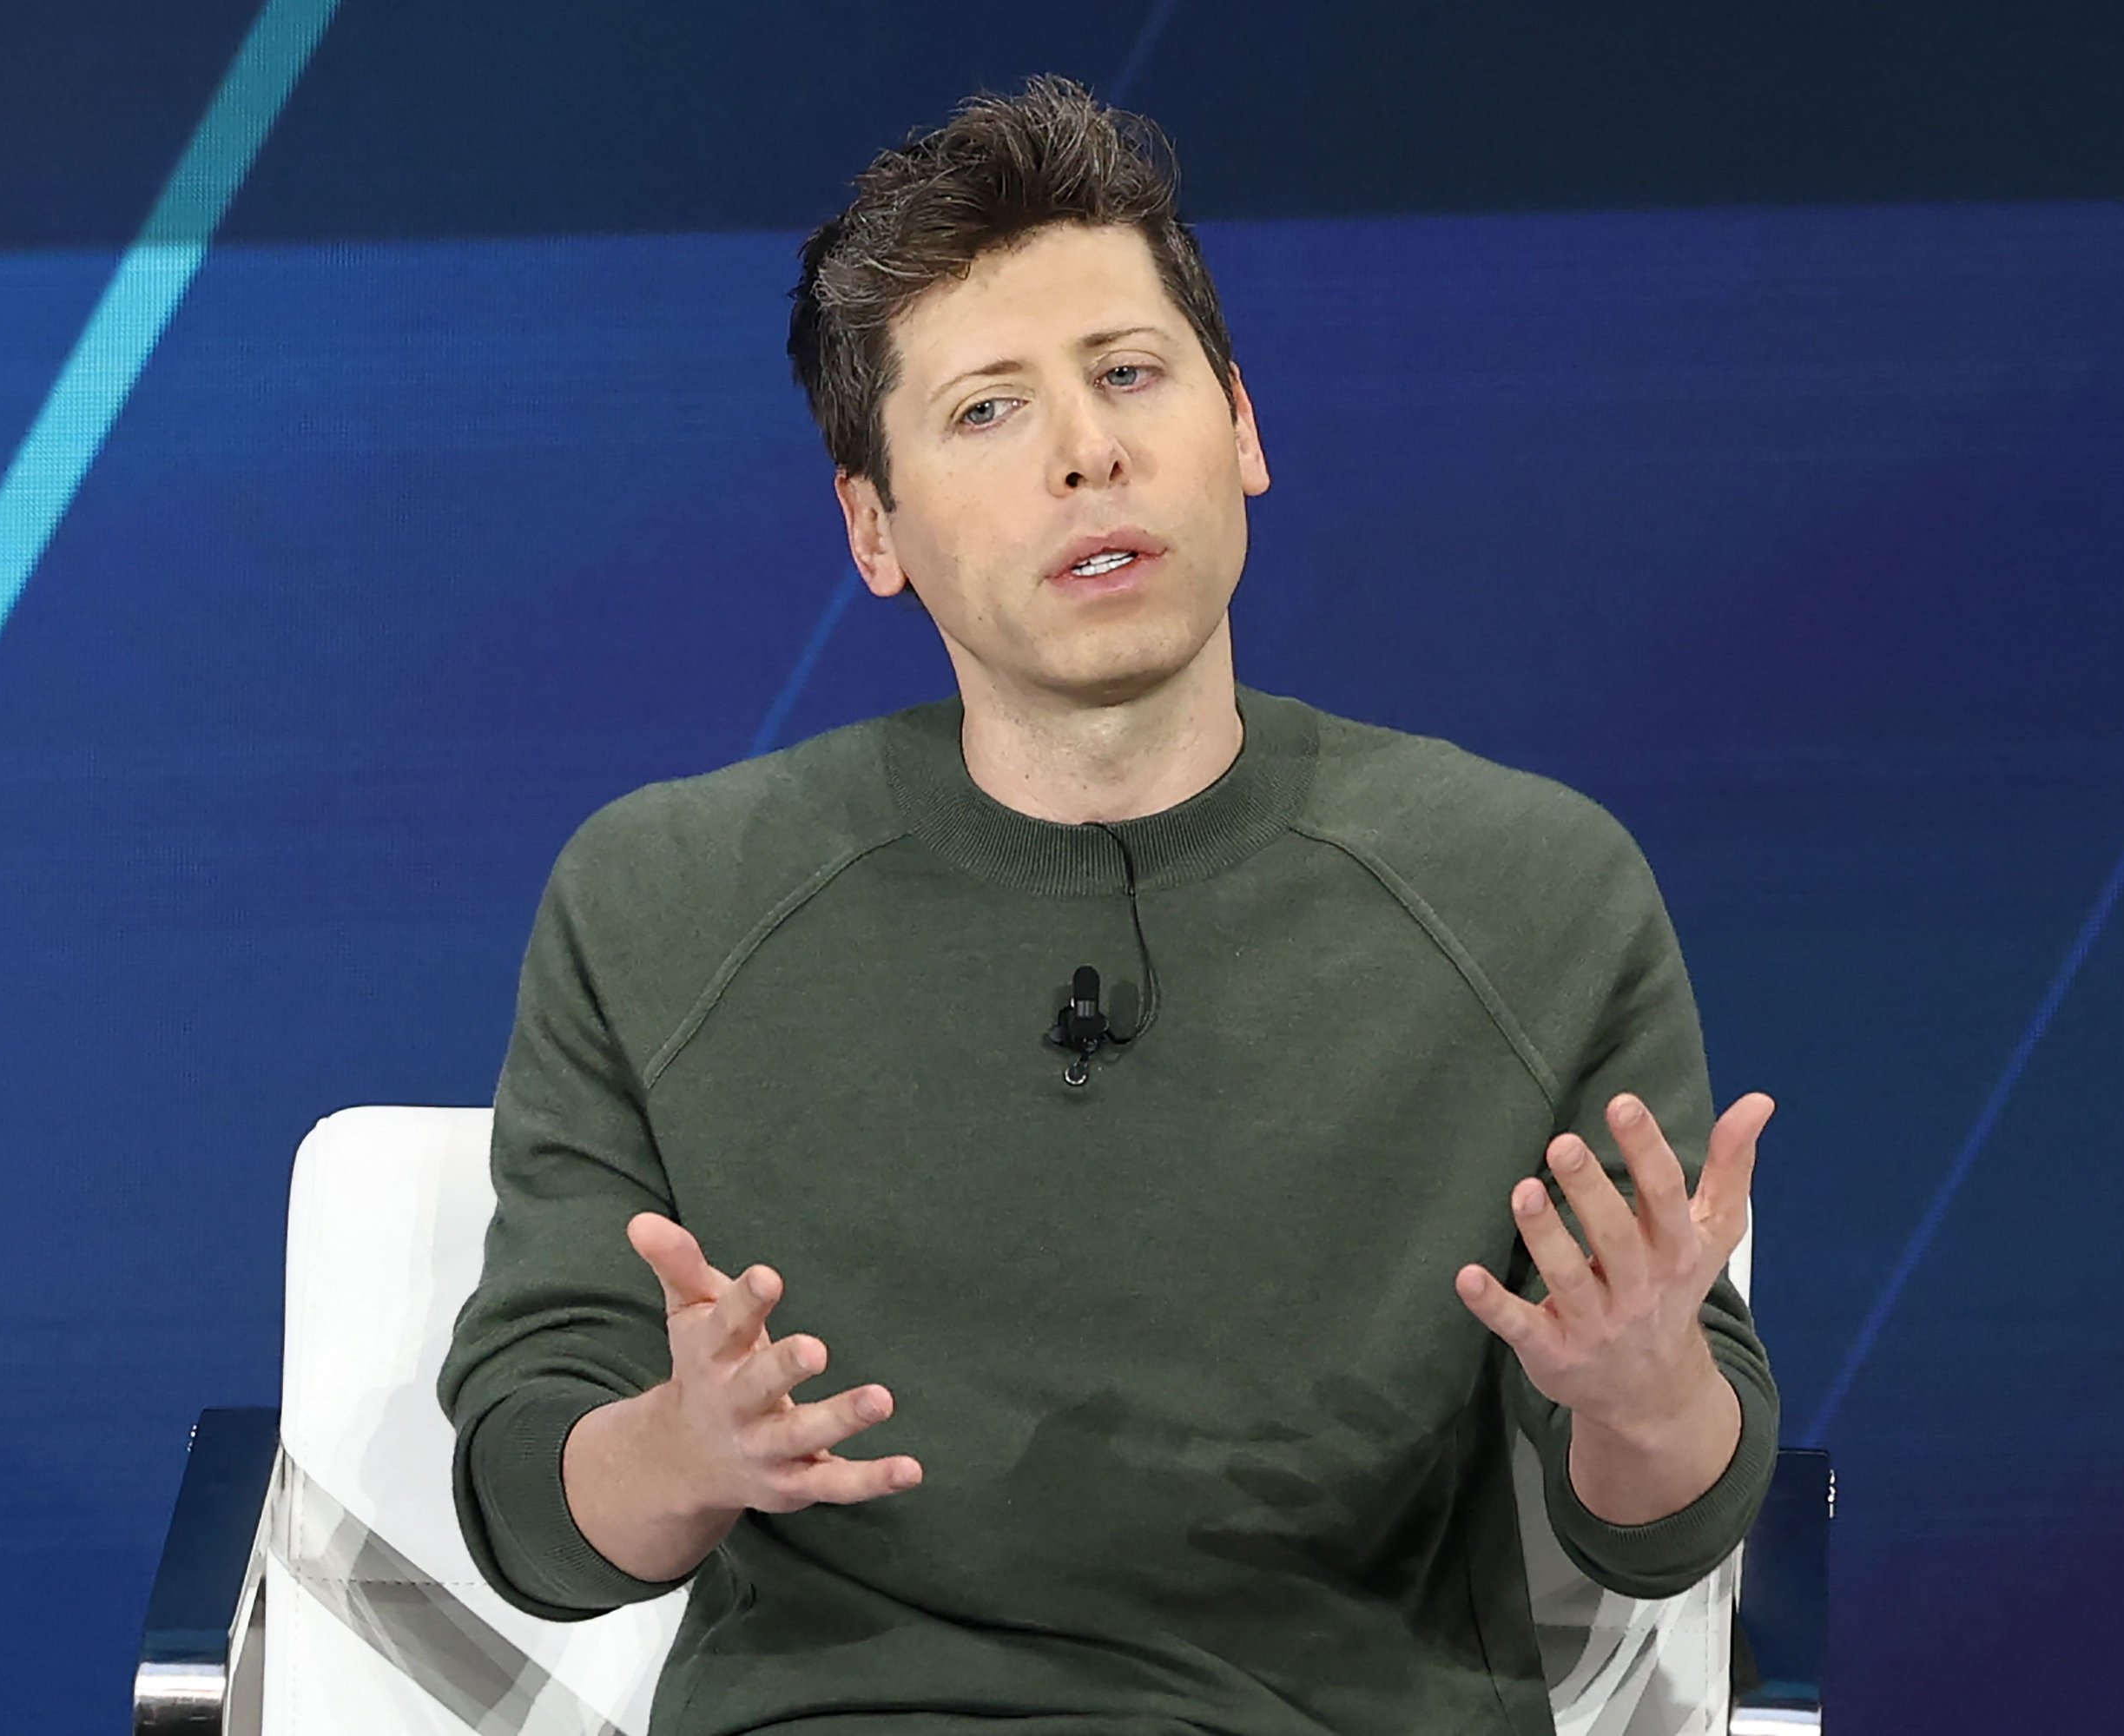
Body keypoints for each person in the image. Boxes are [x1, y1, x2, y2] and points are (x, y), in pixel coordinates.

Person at [439, 72, 1778, 1736]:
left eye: (1131, 376)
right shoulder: (663, 898)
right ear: (876, 529)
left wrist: (1639, 1386)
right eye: (987, 411)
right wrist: (688, 1452)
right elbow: (528, 1498)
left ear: (1243, 432)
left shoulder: (1532, 890)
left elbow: (1662, 1525)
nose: (1089, 453)